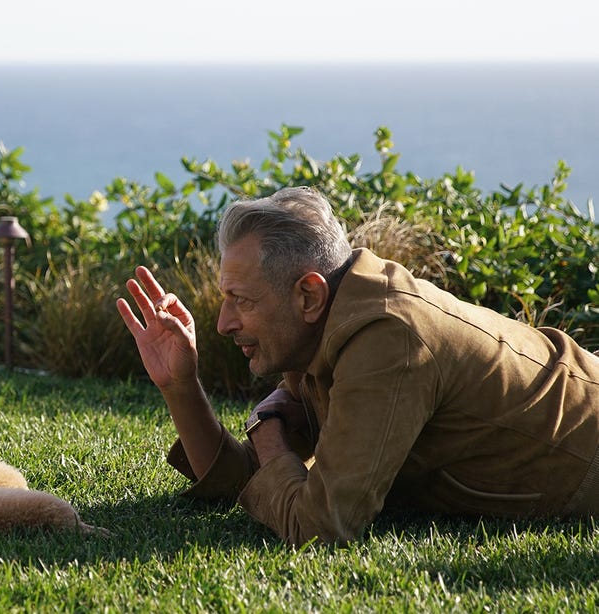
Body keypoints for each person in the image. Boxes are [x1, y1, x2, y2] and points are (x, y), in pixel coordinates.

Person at [116, 186, 599, 546]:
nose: (222, 323)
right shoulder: (323, 329)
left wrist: (267, 434)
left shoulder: (386, 343)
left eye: (240, 301)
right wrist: (180, 384)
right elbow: (242, 483)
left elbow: (321, 527)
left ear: (308, 294)